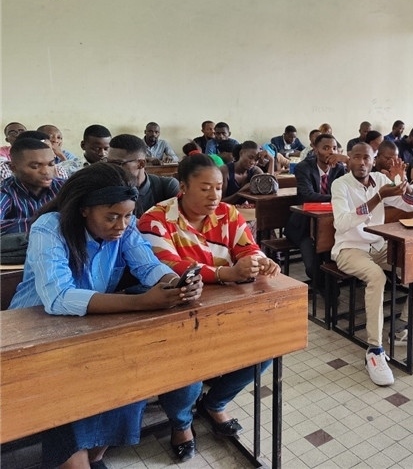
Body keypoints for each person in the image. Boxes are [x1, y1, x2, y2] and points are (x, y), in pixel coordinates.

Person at [10, 163, 202, 468]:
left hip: (89, 326)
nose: (121, 225)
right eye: (111, 217)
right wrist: (141, 303)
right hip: (34, 331)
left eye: (127, 216)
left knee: (129, 375)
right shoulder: (50, 227)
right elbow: (58, 298)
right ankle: (75, 459)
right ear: (84, 209)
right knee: (68, 386)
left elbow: (148, 266)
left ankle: (96, 453)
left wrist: (176, 283)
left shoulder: (125, 225)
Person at [138, 154, 279, 461]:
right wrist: (226, 273)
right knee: (189, 366)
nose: (214, 196)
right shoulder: (155, 220)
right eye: (204, 188)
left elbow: (247, 248)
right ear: (183, 187)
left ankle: (214, 404)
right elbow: (169, 266)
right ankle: (181, 423)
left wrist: (260, 261)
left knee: (265, 350)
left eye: (218, 188)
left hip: (227, 308)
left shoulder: (228, 214)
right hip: (181, 309)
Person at [332, 143, 413, 386]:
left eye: (366, 158)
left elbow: (411, 205)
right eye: (356, 157)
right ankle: (375, 349)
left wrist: (405, 184)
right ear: (349, 160)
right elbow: (342, 223)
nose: (361, 163)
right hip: (350, 249)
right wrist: (378, 197)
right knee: (377, 277)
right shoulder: (341, 184)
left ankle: (402, 328)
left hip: (379, 246)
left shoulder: (380, 179)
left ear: (373, 160)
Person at [285, 133, 347, 280]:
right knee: (313, 267)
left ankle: (328, 286)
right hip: (305, 226)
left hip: (331, 224)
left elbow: (350, 190)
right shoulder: (303, 167)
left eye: (334, 148)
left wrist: (347, 161)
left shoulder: (339, 168)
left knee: (333, 260)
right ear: (315, 149)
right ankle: (322, 285)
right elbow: (307, 196)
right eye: (325, 148)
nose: (331, 152)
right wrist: (337, 198)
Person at [0, 137, 64, 237]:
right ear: (13, 168)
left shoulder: (63, 187)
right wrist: (48, 222)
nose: (46, 171)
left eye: (51, 164)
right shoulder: (5, 191)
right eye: (35, 166)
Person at [107, 134, 179, 217]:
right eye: (108, 163)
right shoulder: (107, 188)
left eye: (117, 163)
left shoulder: (167, 187)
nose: (111, 168)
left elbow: (180, 222)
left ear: (141, 164)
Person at [0, 130, 70, 181]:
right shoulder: (4, 169)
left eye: (51, 150)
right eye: (35, 166)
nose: (53, 155)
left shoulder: (59, 170)